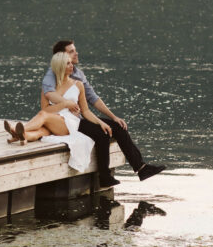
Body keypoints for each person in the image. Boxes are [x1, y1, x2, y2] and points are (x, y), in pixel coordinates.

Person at [41, 39, 165, 184]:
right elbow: (49, 93)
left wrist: (113, 116)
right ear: (62, 56)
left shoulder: (78, 74)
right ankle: (104, 176)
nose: (76, 53)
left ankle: (141, 168)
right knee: (102, 133)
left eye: (75, 50)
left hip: (79, 116)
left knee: (117, 126)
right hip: (64, 119)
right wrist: (67, 104)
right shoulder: (51, 74)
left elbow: (93, 98)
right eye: (71, 51)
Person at [4, 51, 117, 183]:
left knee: (43, 116)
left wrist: (100, 122)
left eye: (71, 63)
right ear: (59, 66)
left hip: (69, 123)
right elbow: (45, 107)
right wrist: (65, 104)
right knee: (40, 132)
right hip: (53, 121)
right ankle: (21, 135)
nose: (72, 66)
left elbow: (85, 112)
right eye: (67, 63)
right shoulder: (48, 88)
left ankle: (19, 129)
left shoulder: (78, 85)